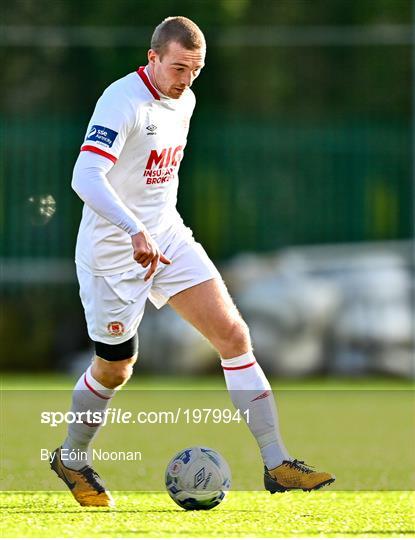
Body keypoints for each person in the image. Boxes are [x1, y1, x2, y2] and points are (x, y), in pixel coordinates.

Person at [50, 16, 335, 507]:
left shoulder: (187, 99)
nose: (186, 80)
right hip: (113, 256)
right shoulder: (122, 102)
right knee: (115, 369)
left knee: (234, 335)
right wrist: (132, 229)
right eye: (179, 68)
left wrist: (152, 229)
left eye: (196, 70)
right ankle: (71, 460)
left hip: (169, 238)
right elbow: (85, 176)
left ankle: (277, 463)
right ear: (153, 58)